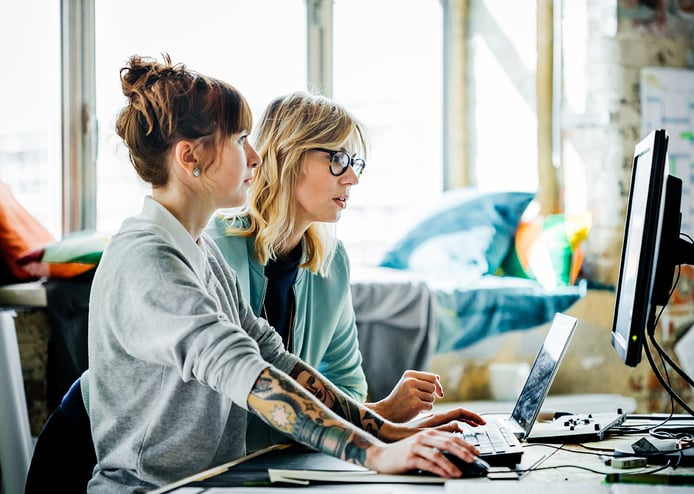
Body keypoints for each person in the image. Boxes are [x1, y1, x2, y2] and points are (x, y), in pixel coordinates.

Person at [86, 54, 483, 492]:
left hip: (212, 483)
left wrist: (386, 430)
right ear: (190, 157)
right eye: (240, 140)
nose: (257, 156)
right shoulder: (148, 260)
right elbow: (243, 369)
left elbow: (272, 358)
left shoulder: (199, 252)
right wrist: (374, 453)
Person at [208, 92, 442, 427]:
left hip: (296, 459)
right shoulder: (216, 249)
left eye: (354, 163)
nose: (352, 178)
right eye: (338, 160)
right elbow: (229, 406)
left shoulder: (331, 263)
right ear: (288, 156)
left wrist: (379, 419)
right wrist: (382, 415)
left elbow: (348, 385)